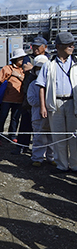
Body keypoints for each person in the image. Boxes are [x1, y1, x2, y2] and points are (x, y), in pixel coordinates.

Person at [36, 32, 77, 173]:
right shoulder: (49, 65)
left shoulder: (76, 64)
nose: (72, 46)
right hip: (55, 103)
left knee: (74, 136)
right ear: (59, 46)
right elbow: (41, 86)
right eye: (68, 45)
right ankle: (62, 165)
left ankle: (75, 164)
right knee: (58, 136)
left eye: (72, 44)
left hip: (73, 103)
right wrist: (43, 106)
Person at [15, 36, 50, 152]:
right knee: (25, 120)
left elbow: (33, 68)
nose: (35, 49)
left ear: (44, 47)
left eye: (37, 46)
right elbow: (26, 68)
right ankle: (21, 146)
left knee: (45, 123)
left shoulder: (50, 57)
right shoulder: (27, 57)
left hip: (46, 93)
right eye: (33, 46)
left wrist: (33, 67)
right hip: (29, 92)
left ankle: (42, 150)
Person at [0, 48, 26, 146]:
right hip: (6, 99)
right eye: (20, 58)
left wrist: (18, 75)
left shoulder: (24, 69)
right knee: (2, 117)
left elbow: (28, 81)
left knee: (15, 118)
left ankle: (12, 136)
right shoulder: (6, 68)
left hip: (19, 99)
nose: (22, 60)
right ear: (15, 59)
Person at [26, 55, 55, 167]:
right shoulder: (32, 85)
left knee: (52, 137)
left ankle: (51, 157)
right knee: (38, 137)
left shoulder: (52, 84)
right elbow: (31, 100)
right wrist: (43, 101)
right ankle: (37, 158)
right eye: (38, 68)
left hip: (51, 114)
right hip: (37, 115)